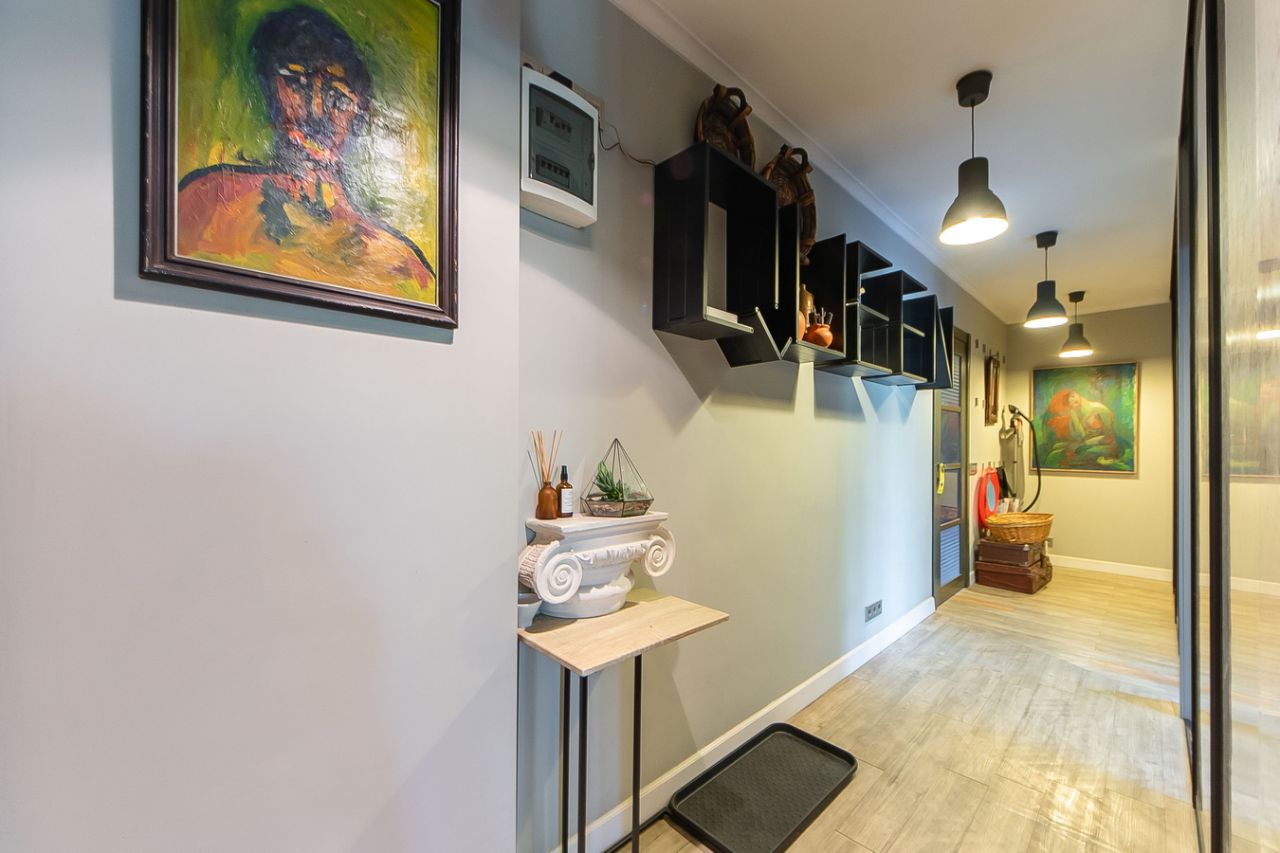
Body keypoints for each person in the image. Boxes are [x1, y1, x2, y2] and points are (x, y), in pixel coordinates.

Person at [176, 6, 436, 303]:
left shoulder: (401, 264)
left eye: (337, 96)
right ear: (270, 89)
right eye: (297, 83)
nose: (316, 110)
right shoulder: (207, 202)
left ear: (358, 116)